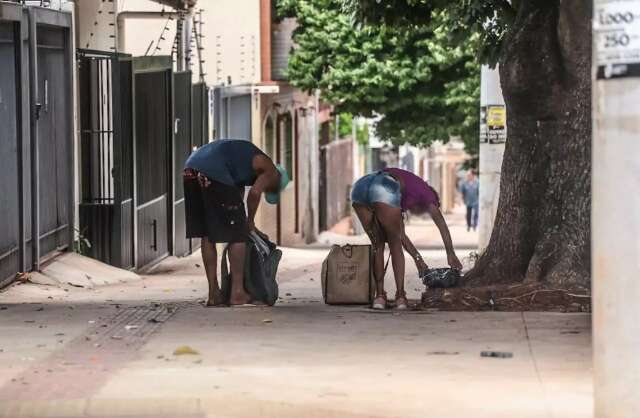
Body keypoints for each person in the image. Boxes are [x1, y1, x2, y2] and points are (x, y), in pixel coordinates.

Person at [183, 139, 289, 306]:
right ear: (277, 181)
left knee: (207, 233)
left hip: (191, 169)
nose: (266, 189)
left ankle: (214, 293)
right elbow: (254, 194)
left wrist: (238, 218)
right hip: (214, 172)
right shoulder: (271, 170)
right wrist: (249, 222)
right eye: (269, 189)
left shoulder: (241, 164)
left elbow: (235, 196)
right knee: (238, 235)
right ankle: (237, 293)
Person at [351, 167, 463, 310]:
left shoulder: (405, 192)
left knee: (377, 245)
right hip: (384, 186)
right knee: (395, 245)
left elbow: (401, 233)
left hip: (360, 187)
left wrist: (418, 258)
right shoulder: (428, 195)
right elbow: (440, 223)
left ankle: (379, 297)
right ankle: (400, 297)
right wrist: (450, 253)